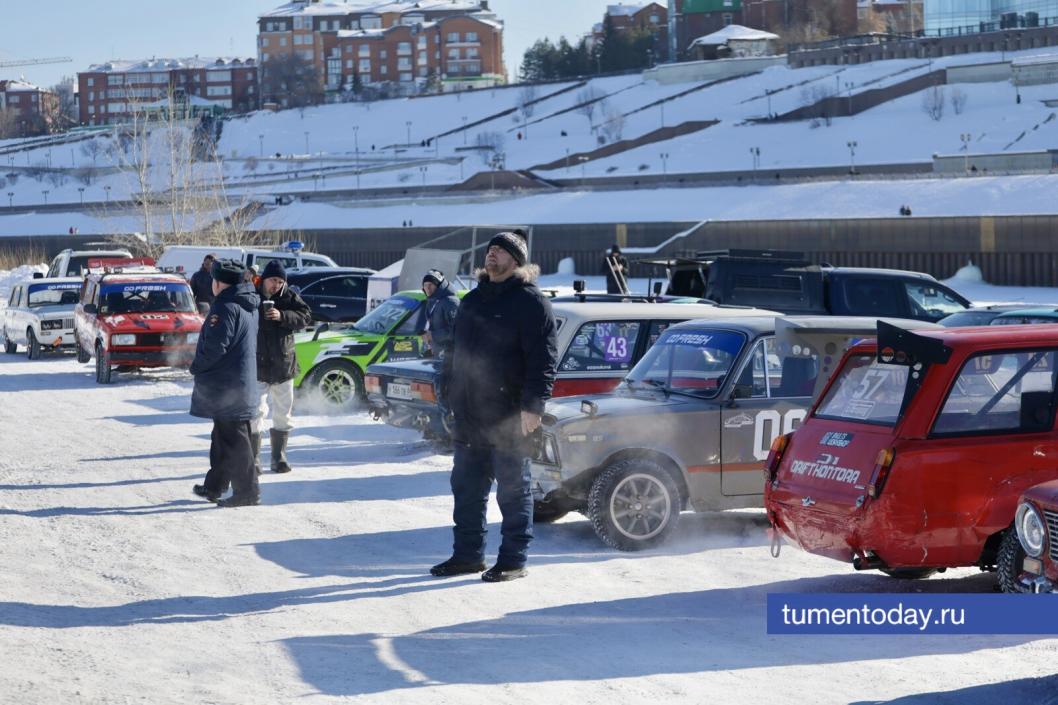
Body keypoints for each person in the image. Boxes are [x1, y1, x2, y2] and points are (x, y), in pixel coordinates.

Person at [431, 231, 558, 582]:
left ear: (516, 261)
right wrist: (448, 391)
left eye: (501, 251)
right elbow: (455, 354)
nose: (492, 255)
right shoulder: (471, 301)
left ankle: (514, 559)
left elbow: (544, 360)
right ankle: (468, 556)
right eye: (490, 250)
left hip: (510, 415)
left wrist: (534, 406)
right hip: (470, 415)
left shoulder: (531, 302)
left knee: (513, 491)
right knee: (467, 490)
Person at [191, 258, 261, 508]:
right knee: (222, 437)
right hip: (238, 384)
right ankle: (215, 486)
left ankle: (247, 493)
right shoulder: (247, 303)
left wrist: (195, 365)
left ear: (218, 283)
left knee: (235, 440)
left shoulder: (225, 307)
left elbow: (215, 348)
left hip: (228, 385)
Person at [254, 260, 313, 474]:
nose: (276, 285)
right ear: (264, 279)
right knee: (255, 413)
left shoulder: (288, 296)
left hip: (283, 364)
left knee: (283, 413)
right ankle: (253, 460)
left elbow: (306, 316)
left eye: (280, 281)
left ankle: (279, 458)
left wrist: (283, 316)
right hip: (258, 364)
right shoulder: (252, 295)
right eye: (273, 280)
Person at [421, 269, 459, 359]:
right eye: (425, 285)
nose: (427, 288)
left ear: (438, 285)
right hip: (438, 353)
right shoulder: (432, 301)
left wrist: (433, 335)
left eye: (430, 284)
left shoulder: (451, 302)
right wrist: (428, 338)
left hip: (450, 356)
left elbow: (458, 330)